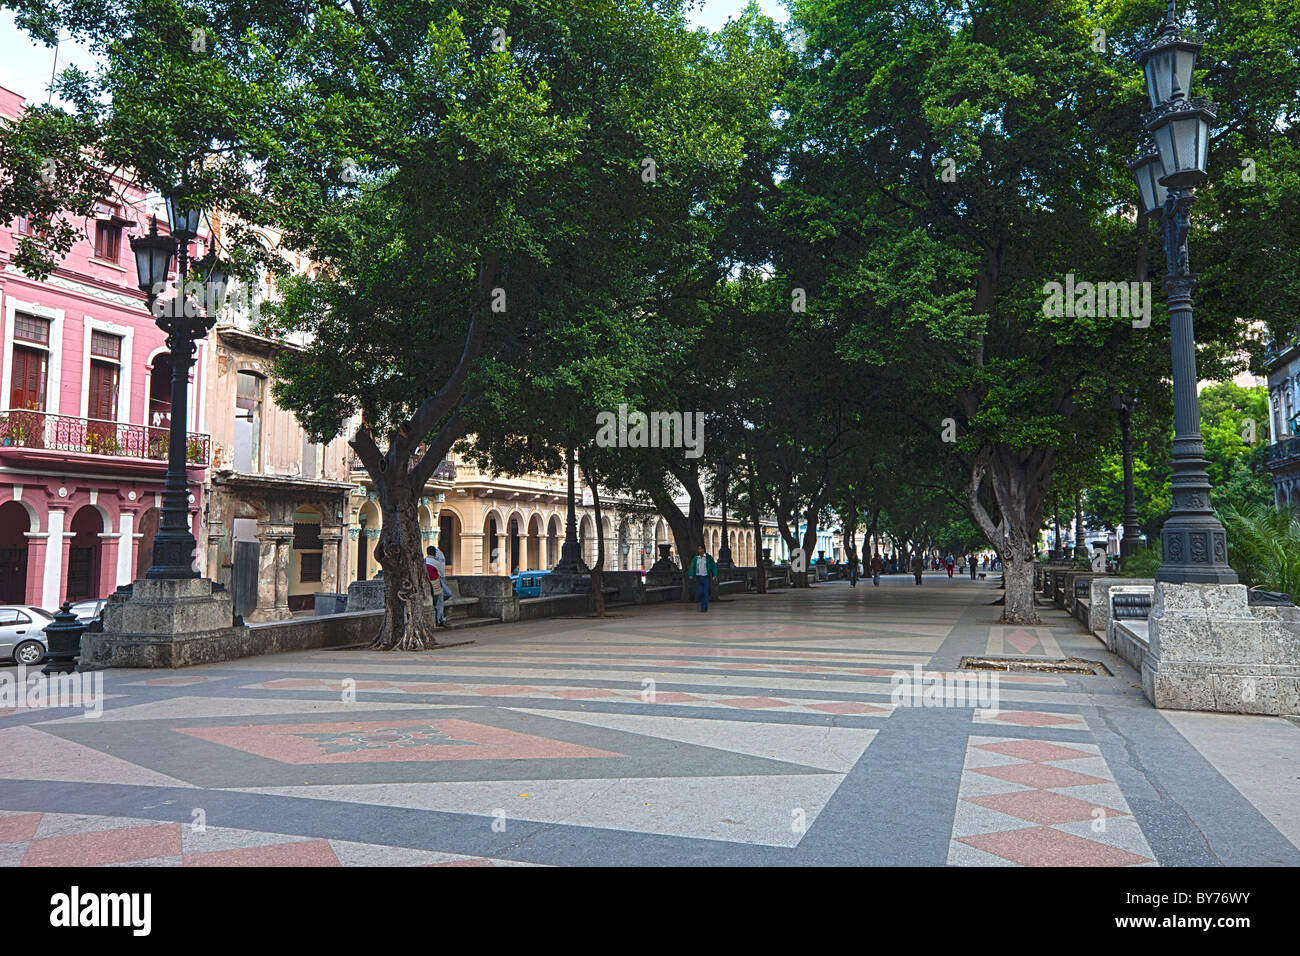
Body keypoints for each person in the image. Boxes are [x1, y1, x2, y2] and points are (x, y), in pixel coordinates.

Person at [689, 544, 718, 612]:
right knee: (700, 592)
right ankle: (702, 604)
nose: (699, 550)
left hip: (706, 577)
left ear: (703, 549)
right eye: (698, 549)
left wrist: (714, 575)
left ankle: (704, 607)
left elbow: (713, 566)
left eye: (700, 549)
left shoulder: (708, 558)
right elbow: (692, 567)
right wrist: (691, 574)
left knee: (705, 592)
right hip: (698, 577)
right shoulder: (696, 558)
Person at [425, 545, 447, 627]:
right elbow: (442, 574)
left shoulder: (424, 561)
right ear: (434, 553)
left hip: (426, 585)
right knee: (439, 602)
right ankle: (439, 619)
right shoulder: (437, 563)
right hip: (435, 585)